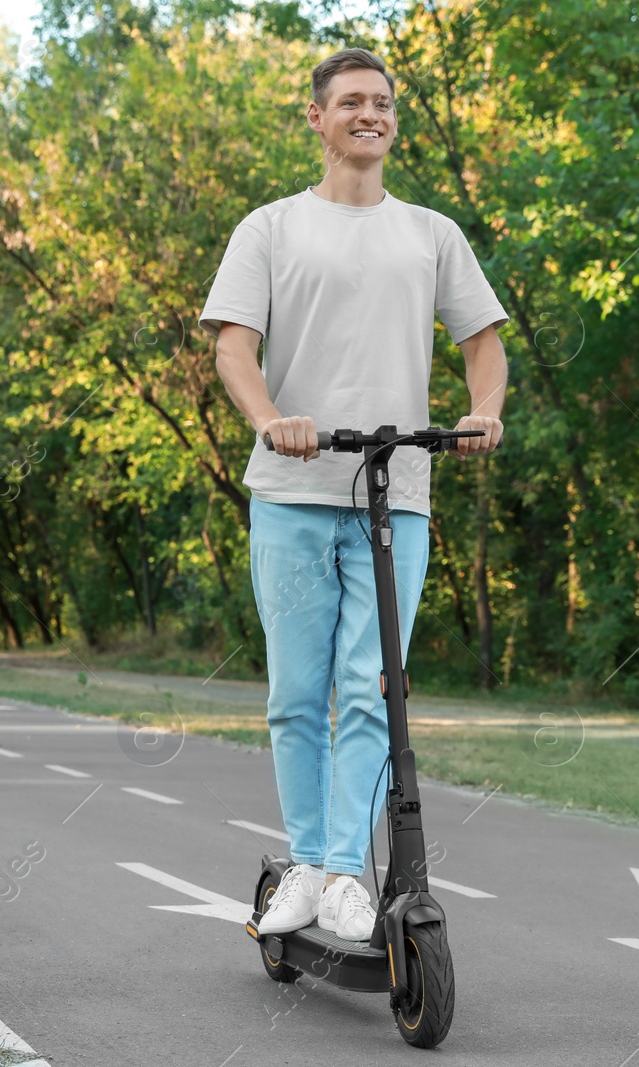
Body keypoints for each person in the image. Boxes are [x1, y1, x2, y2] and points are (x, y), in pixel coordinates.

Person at [200, 47, 508, 942]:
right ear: (317, 118)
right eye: (351, 103)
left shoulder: (431, 234)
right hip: (294, 491)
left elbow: (483, 343)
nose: (369, 115)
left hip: (396, 494)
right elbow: (232, 347)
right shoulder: (270, 228)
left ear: (392, 120)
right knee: (299, 691)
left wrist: (481, 411)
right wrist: (271, 418)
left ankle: (344, 871)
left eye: (382, 103)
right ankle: (303, 863)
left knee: (372, 689)